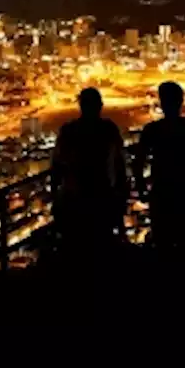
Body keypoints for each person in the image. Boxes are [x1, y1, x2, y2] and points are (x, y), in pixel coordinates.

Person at [134, 82, 185, 264]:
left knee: (163, 243)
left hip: (162, 192)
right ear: (181, 101)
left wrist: (141, 189)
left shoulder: (152, 130)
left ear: (162, 102)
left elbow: (138, 162)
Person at [51, 88, 128, 258]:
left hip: (76, 197)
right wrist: (121, 193)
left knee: (78, 247)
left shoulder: (69, 131)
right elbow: (119, 163)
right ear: (100, 106)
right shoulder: (108, 130)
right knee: (101, 244)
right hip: (102, 195)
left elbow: (57, 165)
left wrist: (55, 195)